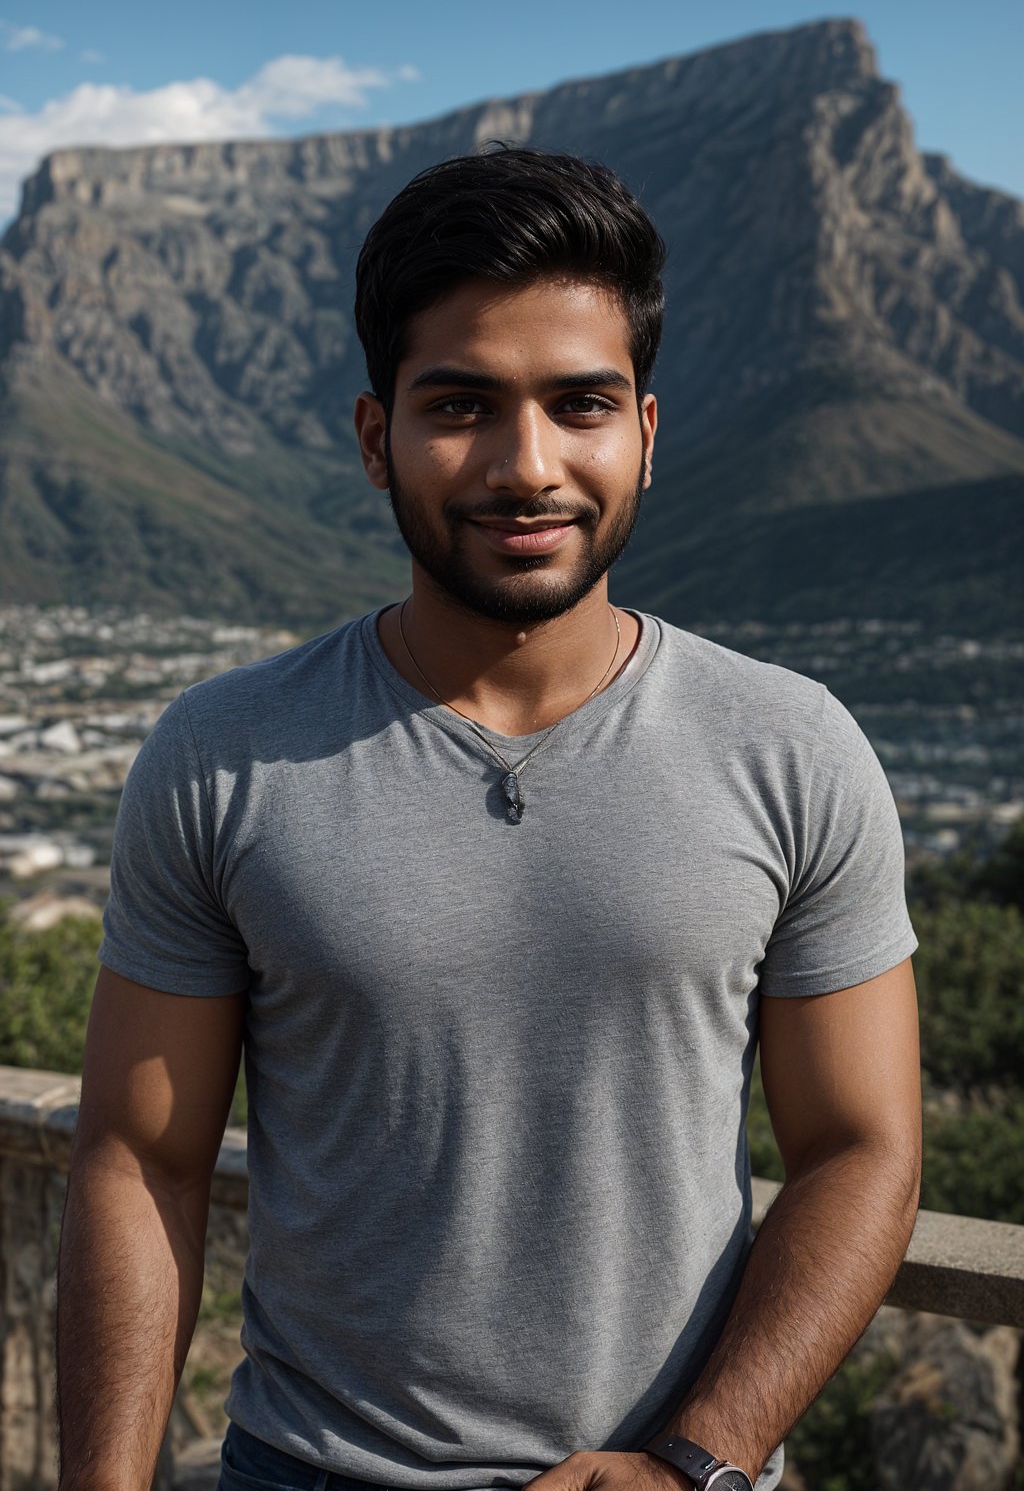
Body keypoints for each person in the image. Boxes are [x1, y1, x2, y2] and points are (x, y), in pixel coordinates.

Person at [57, 147, 921, 1491]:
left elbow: (861, 1151)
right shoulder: (220, 756)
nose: (528, 466)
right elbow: (140, 1161)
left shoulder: (792, 749)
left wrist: (702, 1457)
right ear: (372, 436)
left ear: (645, 429)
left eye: (579, 405)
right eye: (461, 404)